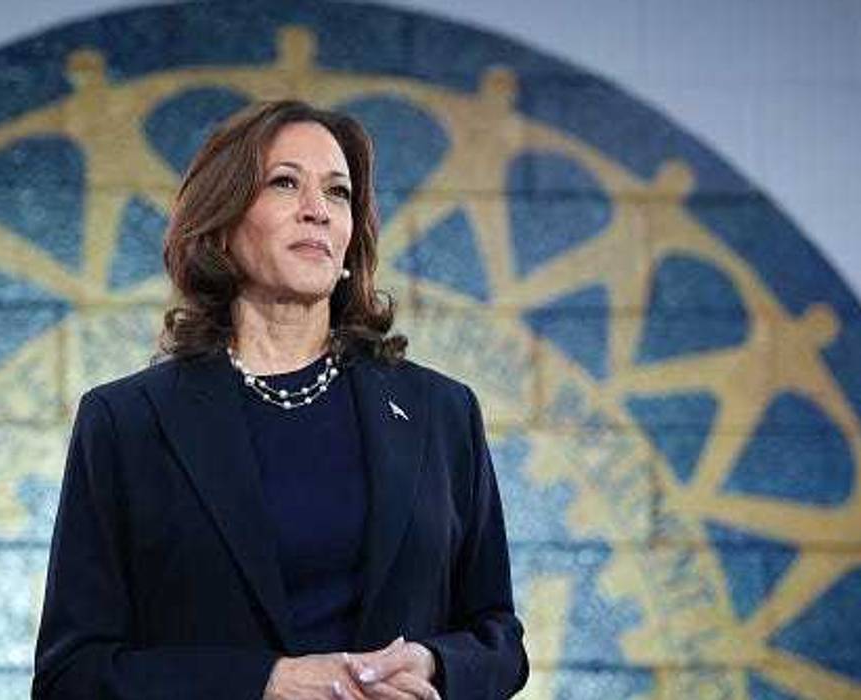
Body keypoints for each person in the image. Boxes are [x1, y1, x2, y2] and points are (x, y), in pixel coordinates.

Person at [32, 100, 528, 700]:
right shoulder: (127, 422)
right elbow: (71, 675)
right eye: (285, 183)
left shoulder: (441, 412)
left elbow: (499, 639)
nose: (317, 210)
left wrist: (435, 665)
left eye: (338, 193)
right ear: (221, 224)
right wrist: (264, 683)